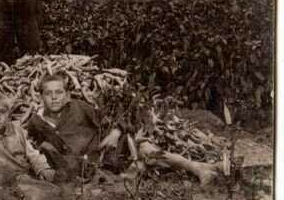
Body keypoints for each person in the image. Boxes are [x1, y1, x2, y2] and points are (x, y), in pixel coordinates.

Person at [26, 73, 218, 184]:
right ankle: (206, 167)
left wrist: (116, 132)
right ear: (41, 96)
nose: (54, 97)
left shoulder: (78, 107)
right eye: (48, 93)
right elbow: (31, 142)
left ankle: (196, 168)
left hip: (107, 153)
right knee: (139, 167)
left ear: (67, 95)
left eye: (59, 92)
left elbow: (111, 120)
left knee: (146, 151)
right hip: (87, 167)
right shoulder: (37, 121)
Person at [0, 92, 56, 182]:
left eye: (2, 112)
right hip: (4, 183)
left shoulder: (17, 130)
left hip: (26, 174)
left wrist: (43, 168)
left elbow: (32, 154)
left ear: (9, 115)